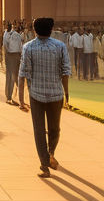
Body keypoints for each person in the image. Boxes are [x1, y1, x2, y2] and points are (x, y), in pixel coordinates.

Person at [18, 17, 71, 177]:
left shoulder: (28, 47)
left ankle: (45, 160)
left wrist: (21, 98)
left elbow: (23, 74)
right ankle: (49, 154)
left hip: (36, 94)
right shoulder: (60, 46)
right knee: (55, 128)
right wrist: (67, 92)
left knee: (39, 130)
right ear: (51, 29)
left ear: (35, 30)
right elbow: (65, 71)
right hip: (56, 94)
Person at [2, 21, 24, 104]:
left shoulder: (18, 35)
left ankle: (17, 97)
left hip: (17, 55)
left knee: (17, 77)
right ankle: (9, 97)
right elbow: (5, 46)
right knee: (10, 77)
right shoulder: (7, 34)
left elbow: (20, 46)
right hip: (10, 56)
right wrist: (8, 56)